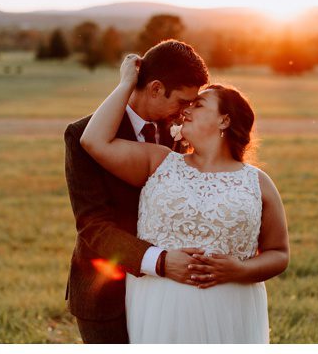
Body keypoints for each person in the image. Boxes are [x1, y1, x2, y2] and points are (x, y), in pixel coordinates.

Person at [81, 52, 288, 344]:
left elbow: (279, 254)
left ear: (224, 120)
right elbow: (93, 141)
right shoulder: (160, 161)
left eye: (198, 105)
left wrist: (240, 269)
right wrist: (128, 82)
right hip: (160, 306)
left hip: (231, 311)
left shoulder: (258, 182)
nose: (185, 111)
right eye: (187, 104)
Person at [65, 39, 209, 343]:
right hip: (105, 292)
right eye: (182, 102)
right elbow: (94, 227)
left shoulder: (183, 132)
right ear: (155, 88)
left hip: (169, 293)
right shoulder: (81, 135)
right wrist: (159, 261)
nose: (186, 113)